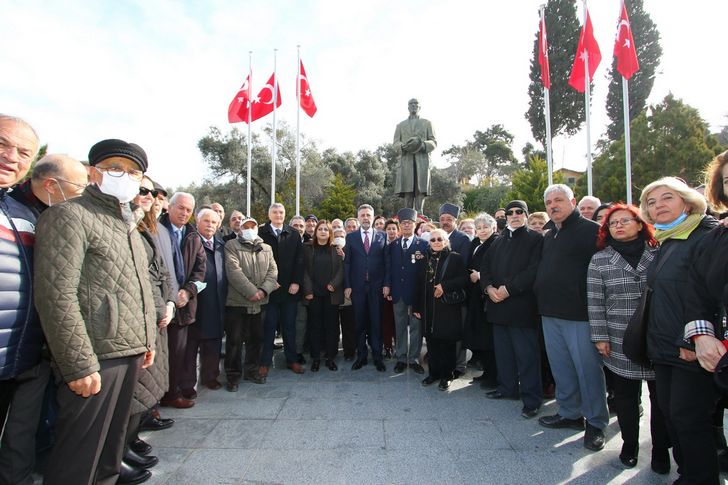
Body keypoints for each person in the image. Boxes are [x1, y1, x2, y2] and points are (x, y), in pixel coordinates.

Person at [34, 138, 157, 485]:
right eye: (115, 168)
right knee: (79, 460)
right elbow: (56, 294)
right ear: (92, 172)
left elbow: (136, 286)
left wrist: (147, 339)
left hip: (127, 351)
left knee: (107, 457)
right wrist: (78, 362)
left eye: (134, 172)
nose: (125, 177)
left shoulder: (127, 222)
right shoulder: (70, 215)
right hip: (94, 358)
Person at [640, 176, 718, 482]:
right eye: (651, 201)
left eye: (667, 198)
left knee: (690, 420)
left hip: (691, 348)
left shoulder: (705, 235)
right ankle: (688, 474)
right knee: (672, 416)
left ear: (687, 201)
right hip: (664, 347)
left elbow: (706, 294)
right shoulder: (667, 238)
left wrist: (694, 338)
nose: (658, 205)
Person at [587, 203, 670, 471]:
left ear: (639, 223)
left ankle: (660, 449)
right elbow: (595, 300)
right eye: (613, 223)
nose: (619, 226)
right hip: (619, 335)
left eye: (625, 220)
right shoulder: (600, 259)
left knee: (660, 399)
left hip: (657, 334)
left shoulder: (660, 252)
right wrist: (600, 336)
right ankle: (630, 444)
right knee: (625, 397)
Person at [534, 184, 608, 452]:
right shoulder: (549, 234)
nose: (553, 205)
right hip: (550, 312)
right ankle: (569, 413)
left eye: (559, 200)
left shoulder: (592, 231)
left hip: (580, 314)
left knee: (588, 371)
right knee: (561, 367)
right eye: (549, 202)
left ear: (572, 201)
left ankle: (597, 422)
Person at [0, 115, 46, 485]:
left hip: (24, 355)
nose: (11, 157)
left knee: (18, 443)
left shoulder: (24, 213)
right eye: (3, 145)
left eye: (23, 152)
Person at [123, 176, 175, 479]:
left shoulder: (149, 227)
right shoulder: (130, 225)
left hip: (156, 313)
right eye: (143, 192)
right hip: (138, 317)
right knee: (133, 388)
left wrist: (167, 301)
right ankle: (117, 452)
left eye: (154, 194)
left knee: (142, 385)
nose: (151, 198)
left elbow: (161, 272)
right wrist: (161, 305)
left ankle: (127, 443)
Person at [481, 201, 544, 419]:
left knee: (526, 356)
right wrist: (488, 288)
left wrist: (508, 289)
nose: (514, 215)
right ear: (505, 217)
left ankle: (531, 399)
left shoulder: (536, 239)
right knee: (504, 353)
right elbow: (485, 268)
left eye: (519, 212)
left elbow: (534, 270)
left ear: (525, 215)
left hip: (521, 307)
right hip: (497, 306)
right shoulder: (498, 242)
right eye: (510, 213)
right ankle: (507, 388)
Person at [159, 192, 206, 409]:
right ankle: (158, 397)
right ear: (169, 207)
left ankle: (173, 392)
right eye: (181, 208)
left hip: (184, 305)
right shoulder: (156, 230)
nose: (185, 213)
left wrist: (187, 292)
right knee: (159, 354)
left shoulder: (192, 235)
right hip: (159, 303)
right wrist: (169, 294)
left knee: (180, 352)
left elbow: (200, 270)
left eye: (189, 210)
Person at [224, 217, 278, 390]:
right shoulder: (232, 245)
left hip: (260, 302)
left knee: (256, 339)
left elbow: (273, 271)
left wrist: (263, 291)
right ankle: (233, 376)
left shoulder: (266, 248)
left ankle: (252, 370)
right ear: (240, 229)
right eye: (245, 226)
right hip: (238, 302)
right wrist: (251, 292)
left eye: (252, 226)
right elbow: (234, 272)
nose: (249, 229)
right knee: (235, 341)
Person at [414, 229, 468, 390]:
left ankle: (447, 376)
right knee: (432, 343)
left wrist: (445, 286)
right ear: (429, 242)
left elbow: (464, 280)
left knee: (447, 344)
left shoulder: (455, 258)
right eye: (433, 240)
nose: (436, 242)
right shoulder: (424, 259)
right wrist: (417, 307)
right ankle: (434, 373)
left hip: (447, 308)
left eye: (440, 239)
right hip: (428, 307)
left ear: (446, 241)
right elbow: (418, 285)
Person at [182, 208, 227, 392]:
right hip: (195, 301)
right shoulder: (191, 241)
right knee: (190, 346)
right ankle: (187, 384)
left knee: (213, 342)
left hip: (216, 301)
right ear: (197, 221)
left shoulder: (220, 244)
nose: (210, 225)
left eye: (214, 222)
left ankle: (210, 377)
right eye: (206, 221)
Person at [258, 203, 305, 377]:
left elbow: (299, 260)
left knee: (289, 327)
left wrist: (296, 282)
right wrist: (267, 282)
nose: (278, 215)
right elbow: (257, 260)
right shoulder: (261, 233)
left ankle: (291, 360)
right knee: (268, 326)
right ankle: (264, 362)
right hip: (269, 290)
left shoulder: (293, 233)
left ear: (285, 215)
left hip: (289, 290)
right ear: (269, 214)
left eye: (281, 212)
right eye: (275, 212)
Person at [384, 209, 428, 374]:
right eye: (403, 223)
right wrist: (387, 285)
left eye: (409, 223)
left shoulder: (423, 245)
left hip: (415, 294)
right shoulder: (393, 245)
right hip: (398, 292)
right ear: (400, 225)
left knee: (416, 327)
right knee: (400, 326)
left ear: (415, 224)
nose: (406, 225)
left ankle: (414, 358)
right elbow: (388, 268)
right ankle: (401, 357)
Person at [344, 204, 387, 371]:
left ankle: (378, 356)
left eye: (368, 215)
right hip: (358, 287)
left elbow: (386, 263)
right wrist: (347, 285)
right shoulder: (352, 237)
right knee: (359, 323)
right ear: (358, 217)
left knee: (376, 323)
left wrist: (386, 284)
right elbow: (347, 263)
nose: (365, 218)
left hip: (377, 287)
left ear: (373, 217)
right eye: (362, 215)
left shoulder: (382, 236)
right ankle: (361, 356)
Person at [302, 220, 344, 372]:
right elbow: (304, 271)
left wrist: (334, 283)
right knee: (315, 326)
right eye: (320, 229)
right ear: (315, 232)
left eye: (326, 229)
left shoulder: (336, 249)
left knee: (332, 327)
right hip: (314, 294)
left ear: (330, 232)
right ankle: (316, 358)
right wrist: (308, 291)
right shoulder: (307, 248)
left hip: (331, 294)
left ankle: (330, 357)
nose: (323, 232)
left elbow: (342, 269)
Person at [465, 213, 498, 389]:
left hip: (487, 295)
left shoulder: (496, 242)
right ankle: (486, 372)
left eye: (485, 227)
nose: (482, 230)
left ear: (493, 228)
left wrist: (479, 276)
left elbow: (497, 268)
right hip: (476, 296)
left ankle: (493, 376)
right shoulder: (476, 243)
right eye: (479, 228)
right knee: (481, 336)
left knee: (489, 337)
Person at [439, 203, 471, 378]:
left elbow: (463, 267)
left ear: (455, 220)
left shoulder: (462, 239)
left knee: (458, 330)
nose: (445, 222)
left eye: (449, 219)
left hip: (456, 293)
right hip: (439, 294)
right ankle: (446, 361)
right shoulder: (438, 237)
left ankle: (460, 364)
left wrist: (447, 285)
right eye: (442, 219)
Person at [393, 98, 437, 212]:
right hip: (406, 160)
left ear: (419, 107)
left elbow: (433, 142)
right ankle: (407, 214)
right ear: (408, 107)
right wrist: (402, 146)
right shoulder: (400, 125)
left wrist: (421, 145)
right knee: (408, 189)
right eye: (411, 104)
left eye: (416, 104)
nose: (413, 106)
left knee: (420, 188)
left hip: (421, 159)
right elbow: (395, 143)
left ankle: (419, 214)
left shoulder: (427, 123)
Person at [289, 214, 309, 365]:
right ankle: (290, 351)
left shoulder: (310, 243)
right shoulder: (284, 241)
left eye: (301, 226)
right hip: (289, 289)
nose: (298, 229)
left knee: (301, 322)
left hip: (306, 290)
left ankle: (299, 351)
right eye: (295, 226)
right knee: (289, 323)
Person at [338, 223, 358, 360]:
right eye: (337, 236)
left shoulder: (351, 248)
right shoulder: (328, 249)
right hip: (331, 292)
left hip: (347, 292)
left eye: (341, 236)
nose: (339, 238)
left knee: (348, 324)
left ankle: (349, 350)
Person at [381, 219, 399, 359]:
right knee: (386, 319)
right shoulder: (381, 245)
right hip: (382, 288)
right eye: (389, 229)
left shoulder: (400, 246)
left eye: (394, 228)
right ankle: (387, 346)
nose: (391, 231)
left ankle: (399, 346)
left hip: (396, 288)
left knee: (397, 320)